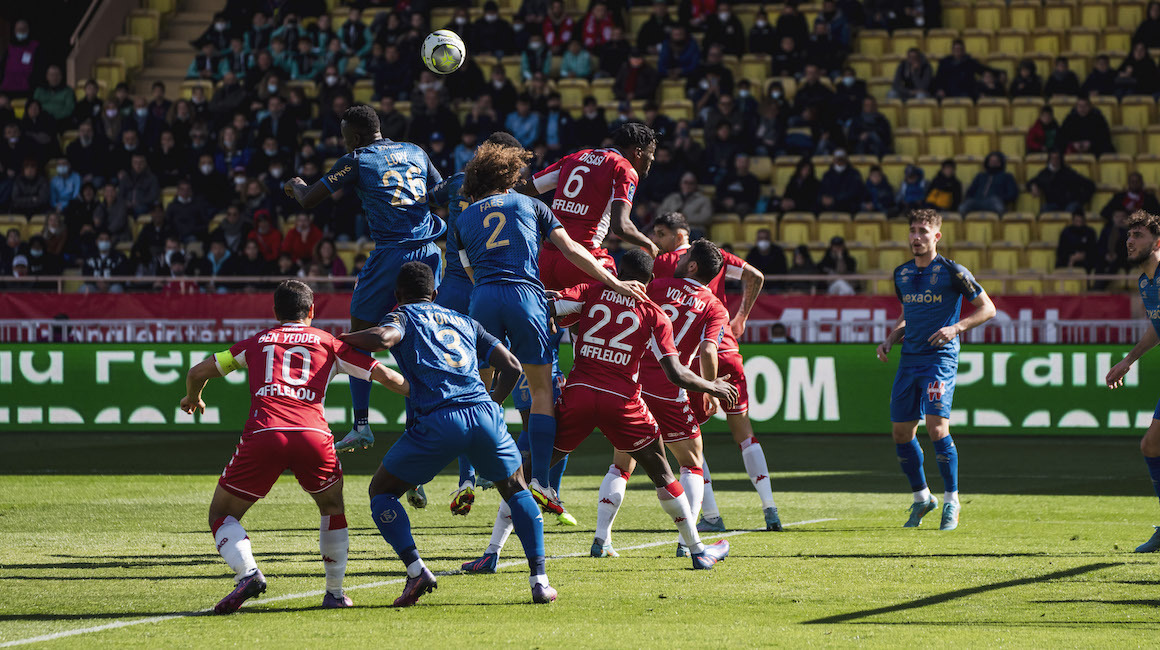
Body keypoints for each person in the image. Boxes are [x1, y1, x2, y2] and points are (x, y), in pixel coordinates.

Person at [467, 250, 736, 571]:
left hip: (579, 395)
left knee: (525, 473)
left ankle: (492, 553)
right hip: (623, 402)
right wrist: (712, 386)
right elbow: (676, 373)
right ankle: (696, 550)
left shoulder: (590, 291)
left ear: (616, 271)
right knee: (663, 473)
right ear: (650, 280)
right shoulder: (653, 313)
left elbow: (544, 305)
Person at [178, 279, 408, 613]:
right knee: (332, 508)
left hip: (265, 434)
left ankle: (248, 573)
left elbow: (198, 371)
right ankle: (334, 593)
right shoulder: (328, 342)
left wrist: (192, 397)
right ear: (312, 310)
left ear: (275, 312)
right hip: (313, 436)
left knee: (221, 514)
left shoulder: (256, 342)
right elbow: (387, 377)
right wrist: (429, 393)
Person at [336, 262, 559, 605]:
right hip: (483, 414)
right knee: (516, 489)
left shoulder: (402, 316)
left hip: (439, 419)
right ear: (435, 293)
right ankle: (540, 581)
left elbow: (382, 339)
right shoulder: (466, 321)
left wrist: (340, 338)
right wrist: (494, 401)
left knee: (381, 491)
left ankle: (416, 571)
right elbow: (512, 366)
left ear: (397, 295)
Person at [455, 140, 646, 511]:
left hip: (484, 299)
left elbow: (471, 272)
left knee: (477, 391)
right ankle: (541, 481)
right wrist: (615, 283)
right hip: (527, 298)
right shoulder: (532, 205)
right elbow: (573, 250)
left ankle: (470, 475)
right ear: (509, 175)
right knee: (542, 391)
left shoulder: (463, 219)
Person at [283, 104, 444, 455]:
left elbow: (309, 200)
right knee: (419, 340)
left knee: (357, 338)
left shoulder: (356, 159)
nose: (344, 143)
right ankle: (417, 430)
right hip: (431, 253)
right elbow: (440, 191)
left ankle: (361, 425)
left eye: (345, 138)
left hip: (391, 254)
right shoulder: (415, 150)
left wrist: (295, 185)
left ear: (354, 137)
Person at [588, 240, 733, 557]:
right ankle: (687, 542)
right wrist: (709, 387)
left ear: (692, 266)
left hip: (632, 381)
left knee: (621, 463)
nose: (679, 259)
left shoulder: (659, 285)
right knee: (691, 463)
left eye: (686, 256)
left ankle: (601, 538)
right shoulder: (714, 307)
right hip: (669, 386)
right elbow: (709, 350)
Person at [649, 212, 781, 532]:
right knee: (745, 434)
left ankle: (709, 516)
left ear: (679, 235)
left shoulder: (665, 264)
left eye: (661, 234)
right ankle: (770, 508)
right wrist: (741, 317)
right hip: (728, 348)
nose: (655, 240)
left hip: (694, 359)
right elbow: (755, 275)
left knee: (691, 443)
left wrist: (708, 387)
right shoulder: (717, 256)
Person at [875, 209, 996, 531]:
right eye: (913, 231)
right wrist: (891, 338)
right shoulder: (902, 274)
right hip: (909, 359)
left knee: (936, 428)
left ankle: (952, 500)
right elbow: (909, 314)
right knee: (901, 432)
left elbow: (988, 308)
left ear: (936, 236)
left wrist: (956, 328)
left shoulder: (953, 271)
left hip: (939, 359)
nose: (916, 237)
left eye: (923, 231)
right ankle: (922, 498)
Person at [528, 122, 660, 290]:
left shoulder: (575, 157)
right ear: (638, 152)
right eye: (651, 153)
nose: (652, 159)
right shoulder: (623, 168)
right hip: (584, 258)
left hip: (547, 258)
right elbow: (621, 227)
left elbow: (524, 189)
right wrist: (649, 244)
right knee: (618, 297)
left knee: (549, 307)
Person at [1105, 210, 1160, 554]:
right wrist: (1128, 360)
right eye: (1129, 235)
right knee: (1151, 446)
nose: (1130, 241)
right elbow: (1158, 327)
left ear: (1158, 242)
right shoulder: (1145, 283)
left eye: (1138, 235)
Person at [1027, 151, 1095, 214]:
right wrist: (1033, 186)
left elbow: (1090, 185)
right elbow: (1031, 182)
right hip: (1053, 204)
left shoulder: (1069, 172)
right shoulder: (1045, 174)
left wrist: (1081, 201)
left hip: (1070, 203)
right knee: (1044, 210)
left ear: (1060, 160)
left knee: (1072, 209)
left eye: (1057, 158)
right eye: (1052, 158)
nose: (1054, 161)